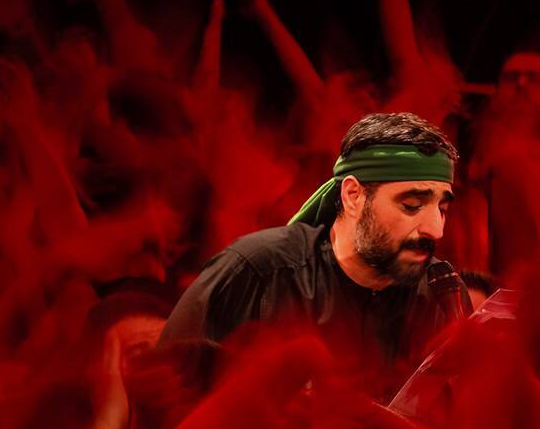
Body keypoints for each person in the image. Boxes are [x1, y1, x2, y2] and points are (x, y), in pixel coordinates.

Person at [157, 111, 463, 396]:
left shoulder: (440, 294)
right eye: (411, 206)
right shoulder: (257, 272)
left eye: (442, 209)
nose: (435, 230)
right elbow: (163, 395)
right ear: (353, 196)